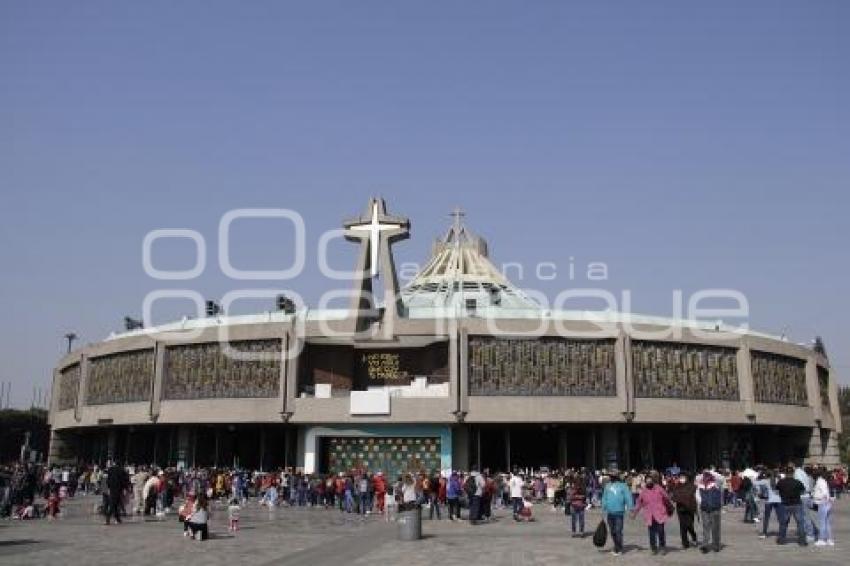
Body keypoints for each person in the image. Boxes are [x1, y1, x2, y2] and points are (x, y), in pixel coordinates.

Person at [632, 472, 672, 555]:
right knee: (652, 533)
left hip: (660, 514)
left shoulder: (659, 488)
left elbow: (666, 498)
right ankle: (653, 548)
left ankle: (662, 547)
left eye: (650, 480)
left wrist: (668, 505)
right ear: (645, 482)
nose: (649, 482)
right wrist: (634, 513)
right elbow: (639, 503)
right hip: (649, 515)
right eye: (647, 480)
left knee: (661, 531)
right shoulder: (644, 491)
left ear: (653, 481)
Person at [601, 471, 633, 556]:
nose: (611, 477)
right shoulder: (607, 486)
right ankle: (616, 545)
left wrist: (630, 508)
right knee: (612, 531)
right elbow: (604, 497)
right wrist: (603, 507)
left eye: (613, 476)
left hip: (619, 512)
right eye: (611, 476)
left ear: (617, 477)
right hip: (610, 512)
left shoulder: (623, 486)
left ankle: (619, 548)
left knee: (618, 531)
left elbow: (628, 497)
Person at [776, 467, 807, 546]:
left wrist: (782, 495)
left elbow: (776, 491)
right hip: (797, 504)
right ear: (793, 473)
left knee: (783, 523)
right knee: (800, 523)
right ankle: (802, 541)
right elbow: (803, 491)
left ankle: (782, 540)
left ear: (785, 473)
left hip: (785, 504)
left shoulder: (781, 482)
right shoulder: (797, 482)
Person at [669, 472, 698, 549]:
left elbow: (694, 496)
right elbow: (673, 496)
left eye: (683, 477)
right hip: (680, 509)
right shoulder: (677, 487)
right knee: (682, 526)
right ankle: (685, 543)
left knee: (689, 525)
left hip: (690, 508)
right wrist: (676, 498)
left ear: (687, 478)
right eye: (680, 477)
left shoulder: (692, 486)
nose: (681, 479)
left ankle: (694, 536)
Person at [696, 472, 722, 553]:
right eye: (705, 477)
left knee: (715, 528)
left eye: (708, 477)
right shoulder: (700, 486)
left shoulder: (716, 484)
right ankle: (705, 546)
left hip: (715, 509)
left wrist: (711, 472)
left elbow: (721, 478)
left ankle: (716, 545)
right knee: (706, 528)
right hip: (705, 510)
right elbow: (698, 497)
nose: (706, 479)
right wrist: (702, 503)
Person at [756, 469, 782, 539]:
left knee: (766, 518)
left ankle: (764, 533)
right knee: (780, 518)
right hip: (778, 500)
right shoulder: (779, 480)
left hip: (769, 500)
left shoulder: (766, 481)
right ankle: (782, 532)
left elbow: (755, 483)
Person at [812, 467, 834, 546]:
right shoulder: (824, 481)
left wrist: (816, 497)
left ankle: (821, 539)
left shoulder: (820, 481)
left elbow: (824, 493)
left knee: (822, 522)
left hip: (822, 503)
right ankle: (829, 539)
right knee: (827, 522)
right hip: (827, 503)